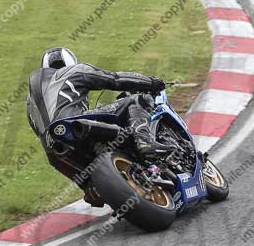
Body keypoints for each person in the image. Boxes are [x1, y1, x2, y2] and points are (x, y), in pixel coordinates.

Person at [26, 47, 170, 181]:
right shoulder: (74, 71)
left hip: (55, 153)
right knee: (134, 101)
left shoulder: (30, 101)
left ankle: (91, 189)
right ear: (70, 62)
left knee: (90, 186)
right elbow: (115, 79)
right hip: (74, 122)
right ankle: (145, 141)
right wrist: (151, 82)